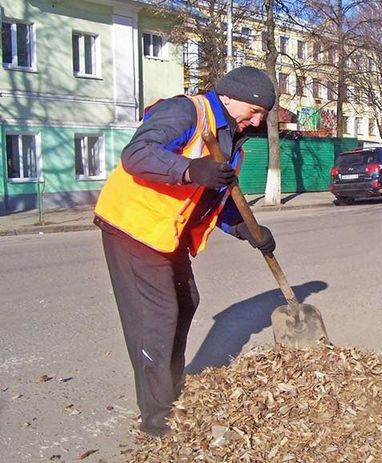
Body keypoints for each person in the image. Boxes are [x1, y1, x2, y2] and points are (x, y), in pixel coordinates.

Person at [94, 66, 278, 436]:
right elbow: (137, 154)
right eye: (255, 110)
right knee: (156, 317)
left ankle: (170, 389)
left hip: (166, 235)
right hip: (133, 228)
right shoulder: (186, 112)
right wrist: (191, 170)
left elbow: (215, 196)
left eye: (263, 114)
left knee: (186, 301)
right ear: (229, 95)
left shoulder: (231, 141)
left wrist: (247, 228)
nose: (258, 121)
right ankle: (157, 419)